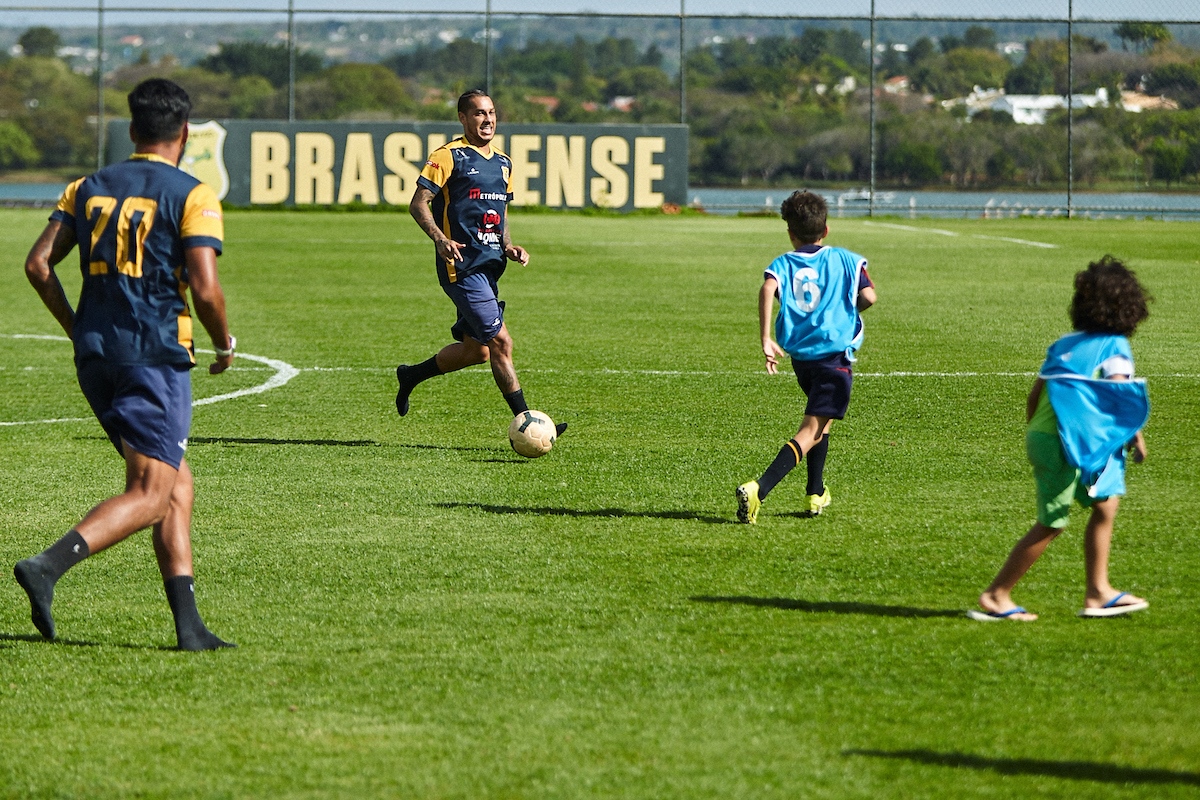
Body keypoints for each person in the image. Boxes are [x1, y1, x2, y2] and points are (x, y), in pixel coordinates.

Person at [14, 78, 236, 650]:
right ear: (184, 134)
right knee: (150, 492)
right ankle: (47, 565)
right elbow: (207, 289)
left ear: (133, 130)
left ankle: (189, 628)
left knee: (174, 485)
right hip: (154, 356)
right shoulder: (192, 194)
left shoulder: (85, 187)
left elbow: (39, 264)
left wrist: (74, 326)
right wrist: (224, 342)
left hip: (97, 358)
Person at [969, 256, 1151, 622]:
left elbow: (1037, 393)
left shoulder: (1065, 344)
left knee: (1105, 504)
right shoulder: (1115, 346)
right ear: (1129, 306)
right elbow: (1118, 396)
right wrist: (1135, 436)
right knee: (1052, 521)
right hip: (1077, 441)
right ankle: (996, 595)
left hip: (1046, 433)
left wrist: (1039, 434)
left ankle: (1099, 591)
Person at [395, 89, 565, 439]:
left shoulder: (503, 163)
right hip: (462, 266)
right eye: (478, 114)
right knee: (502, 343)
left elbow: (500, 213)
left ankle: (411, 375)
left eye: (491, 113)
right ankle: (528, 423)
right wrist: (440, 239)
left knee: (478, 352)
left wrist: (508, 245)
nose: (487, 120)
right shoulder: (449, 156)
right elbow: (418, 203)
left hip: (489, 268)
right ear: (462, 118)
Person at [736, 190, 876, 523]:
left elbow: (768, 288)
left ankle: (815, 491)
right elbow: (869, 296)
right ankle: (759, 488)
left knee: (821, 421)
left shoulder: (782, 263)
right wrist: (844, 310)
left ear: (790, 233)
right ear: (826, 229)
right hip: (834, 359)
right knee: (811, 428)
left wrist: (766, 338)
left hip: (803, 359)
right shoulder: (846, 259)